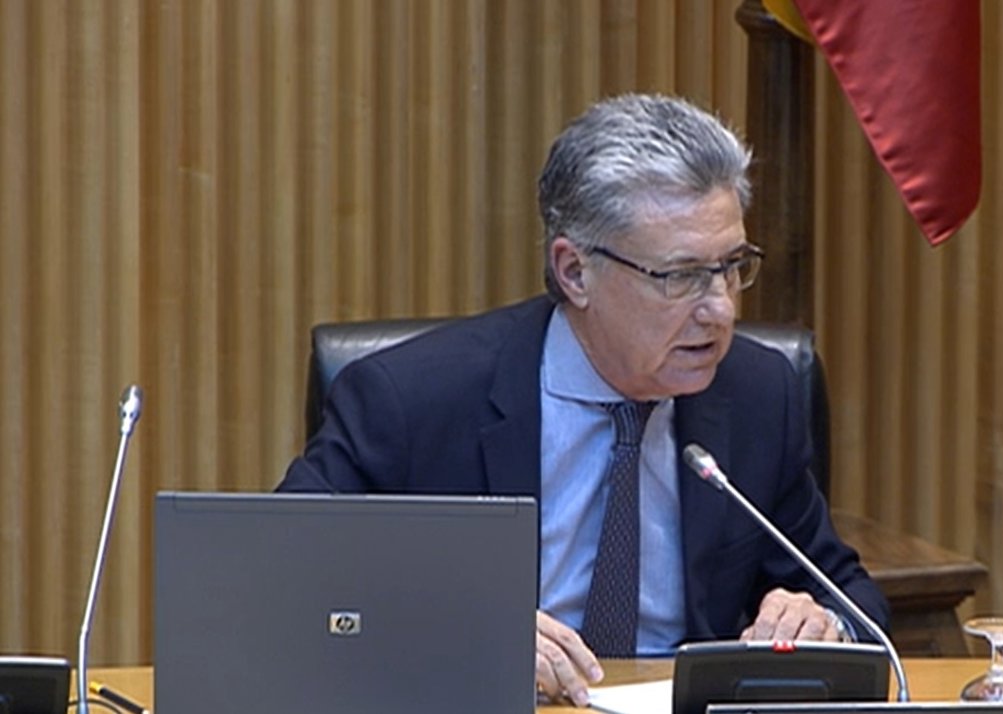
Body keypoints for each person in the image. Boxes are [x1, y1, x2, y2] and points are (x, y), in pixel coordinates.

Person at [278, 93, 888, 707]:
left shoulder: (758, 393)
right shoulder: (413, 400)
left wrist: (823, 622)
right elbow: (282, 576)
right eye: (681, 276)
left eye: (731, 267)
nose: (721, 309)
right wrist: (459, 634)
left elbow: (848, 595)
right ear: (574, 272)